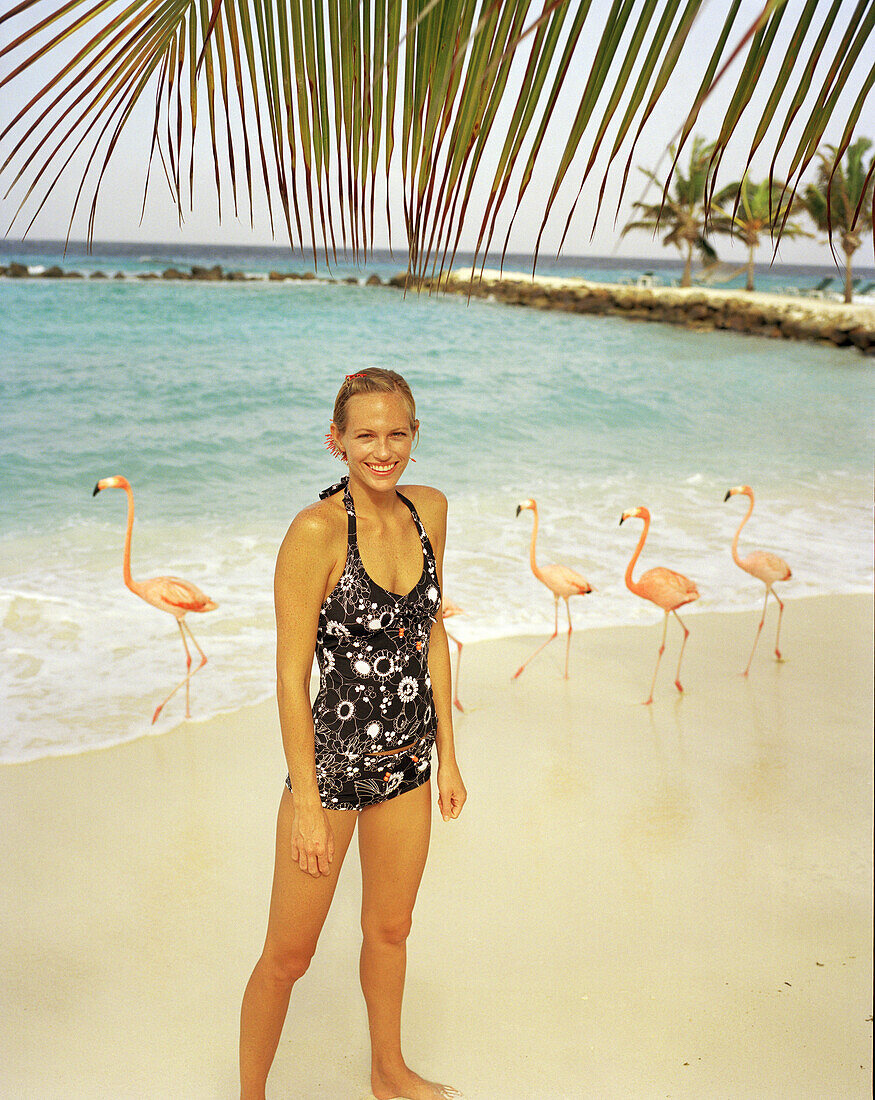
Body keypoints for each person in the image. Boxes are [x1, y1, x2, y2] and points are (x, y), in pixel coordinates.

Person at [239, 368, 467, 1100]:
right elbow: (288, 676)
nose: (382, 449)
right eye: (364, 435)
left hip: (409, 762)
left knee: (391, 930)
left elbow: (427, 636)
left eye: (396, 432)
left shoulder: (429, 509)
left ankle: (387, 1072)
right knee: (288, 956)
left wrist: (449, 757)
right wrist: (306, 801)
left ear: (415, 434)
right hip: (332, 774)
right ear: (335, 441)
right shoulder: (314, 532)